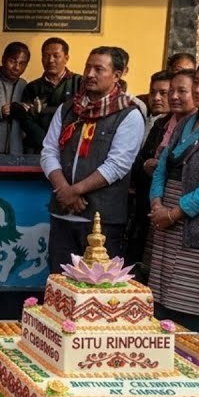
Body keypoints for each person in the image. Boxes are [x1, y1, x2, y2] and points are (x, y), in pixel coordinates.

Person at [40, 46, 144, 272]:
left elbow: (118, 165)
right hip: (62, 214)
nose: (89, 74)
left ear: (117, 75)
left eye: (99, 69)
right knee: (60, 286)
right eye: (88, 67)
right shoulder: (68, 109)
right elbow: (48, 151)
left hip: (102, 220)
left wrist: (75, 191)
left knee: (98, 291)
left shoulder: (129, 113)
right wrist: (64, 189)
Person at [148, 61, 199, 340]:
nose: (198, 89)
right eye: (197, 83)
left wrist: (175, 213)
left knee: (190, 308)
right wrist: (156, 202)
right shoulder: (184, 123)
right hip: (166, 221)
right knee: (163, 297)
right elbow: (162, 167)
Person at [128, 69, 194, 275]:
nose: (172, 97)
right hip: (152, 206)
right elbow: (137, 164)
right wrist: (147, 165)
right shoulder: (161, 124)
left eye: (180, 91)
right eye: (170, 91)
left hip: (183, 210)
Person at [20, 37, 83, 153]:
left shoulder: (80, 83)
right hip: (38, 149)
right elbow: (26, 121)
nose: (50, 60)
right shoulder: (32, 87)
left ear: (66, 58)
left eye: (56, 56)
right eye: (46, 55)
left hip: (71, 148)